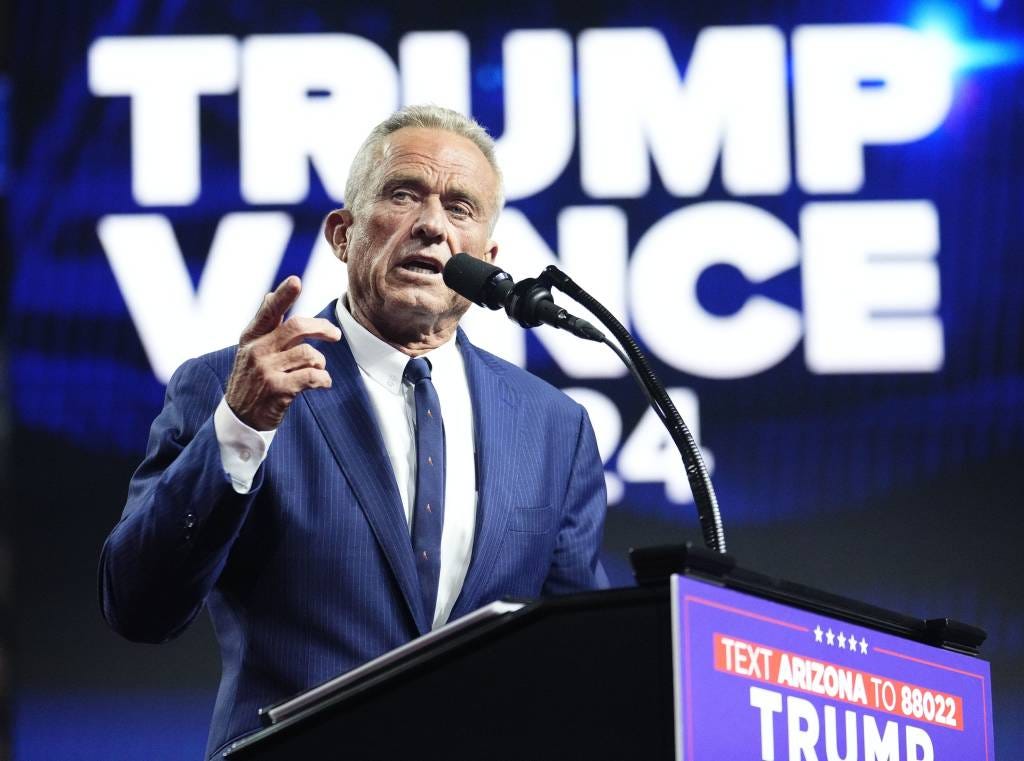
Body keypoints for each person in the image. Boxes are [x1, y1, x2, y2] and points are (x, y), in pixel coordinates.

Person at [99, 105, 608, 759]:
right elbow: (137, 604)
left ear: (488, 256)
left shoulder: (551, 427)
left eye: (460, 207)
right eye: (404, 194)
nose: (431, 223)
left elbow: (575, 661)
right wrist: (240, 427)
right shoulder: (232, 387)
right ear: (342, 234)